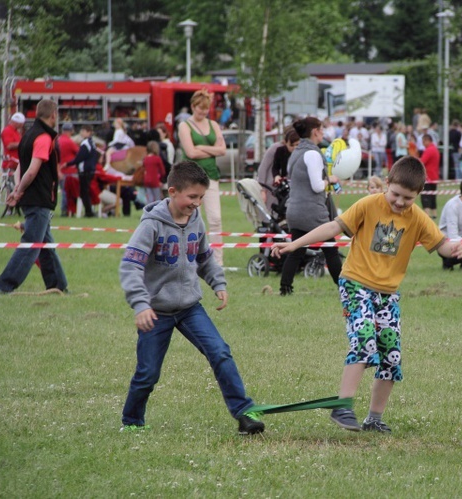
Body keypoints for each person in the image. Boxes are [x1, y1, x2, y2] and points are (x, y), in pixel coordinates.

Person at [271, 156, 462, 432]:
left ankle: (374, 418)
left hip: (388, 294)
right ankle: (342, 405)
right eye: (395, 194)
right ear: (387, 184)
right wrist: (295, 245)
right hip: (355, 284)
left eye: (407, 198)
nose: (399, 202)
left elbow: (441, 244)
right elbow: (333, 228)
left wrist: (454, 250)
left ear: (418, 195)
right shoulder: (368, 205)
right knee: (363, 340)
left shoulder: (418, 219)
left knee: (391, 356)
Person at [119, 160, 264, 435]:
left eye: (201, 197)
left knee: (220, 352)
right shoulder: (151, 225)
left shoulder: (195, 219)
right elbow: (130, 265)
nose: (197, 203)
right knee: (148, 373)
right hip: (156, 312)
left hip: (189, 308)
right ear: (172, 191)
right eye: (192, 197)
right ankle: (132, 420)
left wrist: (217, 282)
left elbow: (204, 255)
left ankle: (244, 412)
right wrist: (140, 304)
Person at [0, 99, 68, 294]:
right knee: (31, 245)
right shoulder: (43, 137)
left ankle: (58, 285)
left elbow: (20, 166)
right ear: (53, 115)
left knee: (45, 243)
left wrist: (18, 188)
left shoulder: (27, 135)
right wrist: (18, 191)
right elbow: (32, 170)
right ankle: (3, 286)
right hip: (38, 198)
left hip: (33, 198)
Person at [279, 117, 342, 296]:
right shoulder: (312, 154)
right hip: (311, 211)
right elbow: (316, 186)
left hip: (294, 210)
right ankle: (344, 288)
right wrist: (330, 180)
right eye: (321, 130)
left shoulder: (296, 152)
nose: (323, 133)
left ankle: (285, 288)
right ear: (315, 131)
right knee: (331, 249)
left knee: (296, 250)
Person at [178, 89, 228, 267]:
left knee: (215, 219)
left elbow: (222, 150)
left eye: (206, 109)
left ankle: (217, 262)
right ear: (193, 106)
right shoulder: (185, 126)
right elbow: (190, 152)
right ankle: (188, 258)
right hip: (191, 179)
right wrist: (211, 149)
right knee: (190, 219)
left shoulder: (214, 124)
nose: (203, 112)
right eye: (200, 109)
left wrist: (201, 147)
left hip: (211, 177)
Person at [64, 125, 99, 217]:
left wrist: (68, 164)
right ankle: (89, 210)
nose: (81, 133)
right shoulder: (93, 143)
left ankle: (89, 212)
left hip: (84, 171)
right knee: (86, 191)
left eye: (83, 131)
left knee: (84, 192)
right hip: (91, 170)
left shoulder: (85, 143)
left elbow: (79, 158)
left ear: (88, 132)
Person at [57, 122, 80, 216]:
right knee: (68, 192)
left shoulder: (57, 140)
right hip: (69, 171)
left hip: (59, 170)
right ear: (71, 131)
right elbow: (79, 153)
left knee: (63, 191)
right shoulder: (70, 142)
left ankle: (65, 210)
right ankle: (66, 210)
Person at [0, 112, 25, 184]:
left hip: (16, 163)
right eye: (21, 124)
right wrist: (23, 143)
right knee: (13, 186)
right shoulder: (7, 131)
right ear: (17, 123)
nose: (22, 126)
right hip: (10, 163)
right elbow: (9, 145)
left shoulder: (16, 132)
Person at [419, 133, 440, 219]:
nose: (423, 144)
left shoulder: (429, 150)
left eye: (423, 142)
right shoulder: (435, 149)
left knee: (425, 195)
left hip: (428, 176)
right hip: (434, 176)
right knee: (433, 195)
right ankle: (434, 214)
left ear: (427, 140)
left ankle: (426, 214)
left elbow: (422, 161)